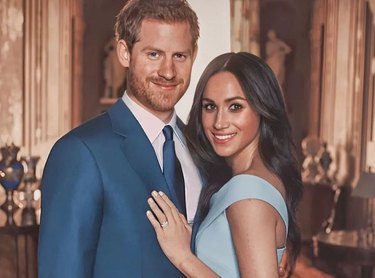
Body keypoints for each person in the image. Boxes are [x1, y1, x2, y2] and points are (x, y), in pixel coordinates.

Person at [38, 1, 202, 277]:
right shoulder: (80, 152)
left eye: (180, 56)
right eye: (154, 54)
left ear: (194, 55)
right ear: (124, 52)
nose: (168, 71)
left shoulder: (204, 152)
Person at [146, 52, 303, 277]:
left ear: (262, 108)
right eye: (210, 107)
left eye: (235, 107)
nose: (219, 122)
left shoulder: (247, 193)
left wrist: (183, 257)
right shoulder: (263, 178)